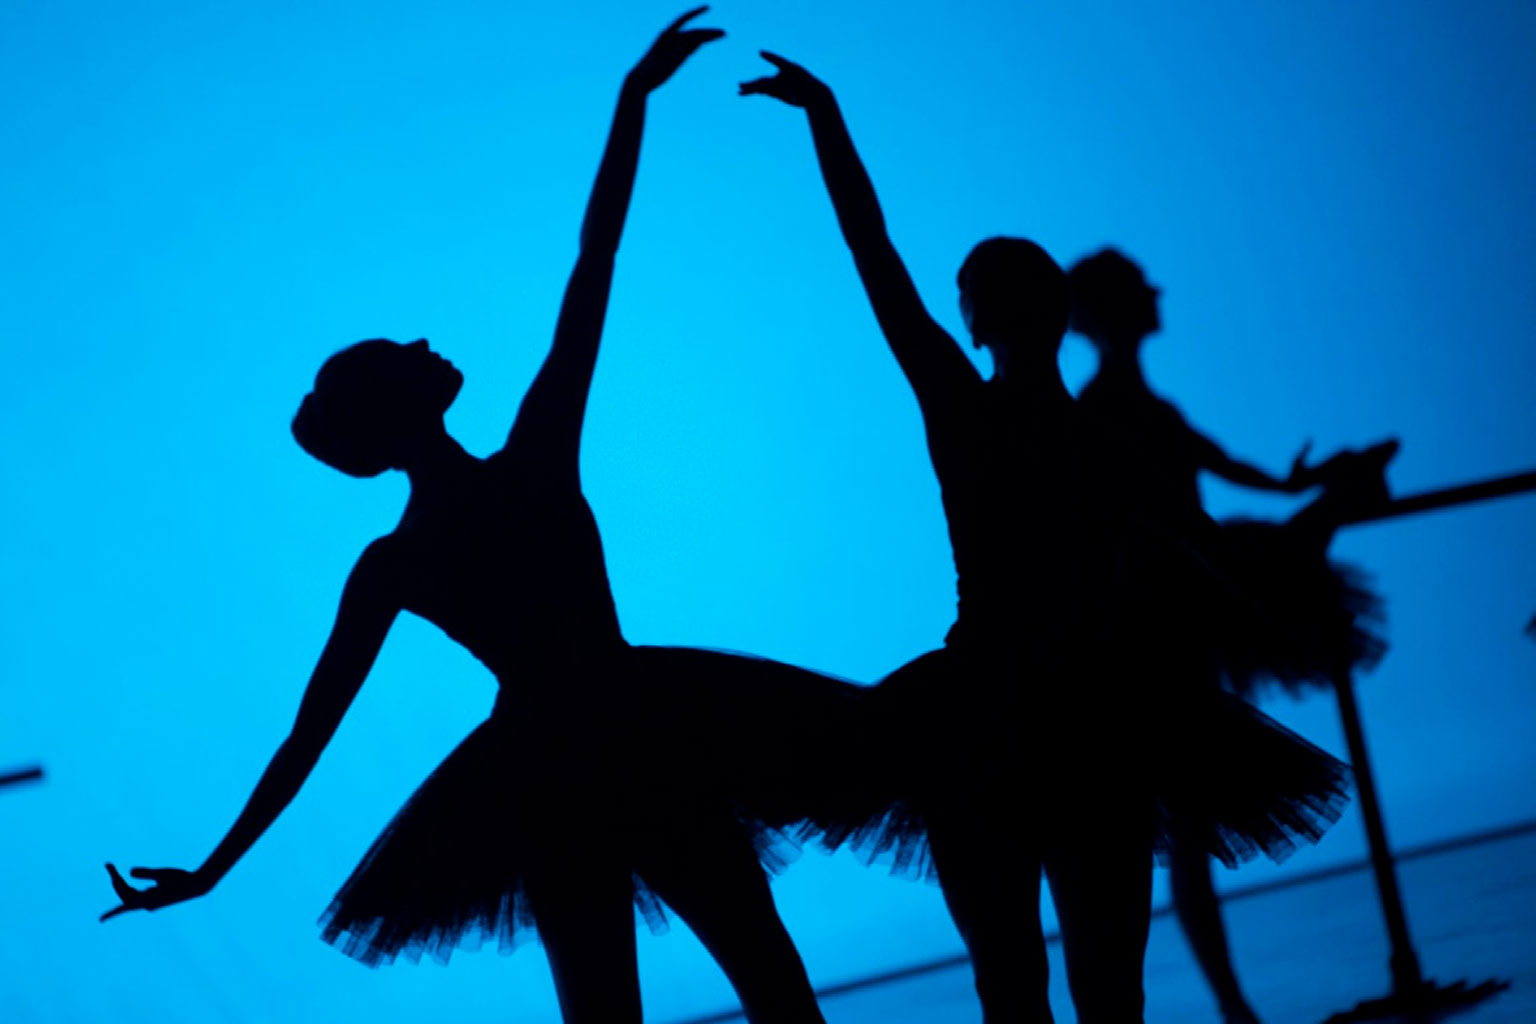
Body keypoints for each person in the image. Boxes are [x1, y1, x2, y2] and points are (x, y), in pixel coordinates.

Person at [101, 14, 855, 1023]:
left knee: (649, 1006)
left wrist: (212, 870)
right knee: (769, 988)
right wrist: (631, 102)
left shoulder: (402, 557)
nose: (423, 338)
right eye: (401, 351)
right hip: (635, 734)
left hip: (549, 763)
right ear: (401, 403)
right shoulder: (525, 466)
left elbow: (305, 739)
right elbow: (595, 262)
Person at [741, 54, 1350, 1024]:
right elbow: (1205, 570)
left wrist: (826, 118)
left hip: (993, 714)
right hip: (1080, 721)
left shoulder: (977, 412)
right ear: (1052, 318)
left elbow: (877, 260)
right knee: (1103, 990)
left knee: (1021, 990)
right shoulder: (1094, 439)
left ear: (976, 323)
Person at [1068, 247, 1391, 1024]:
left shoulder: (1144, 405)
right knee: (1185, 819)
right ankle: (1234, 1008)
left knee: (1189, 819)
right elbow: (1130, 513)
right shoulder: (1103, 409)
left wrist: (1302, 483)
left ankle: (1235, 1007)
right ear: (1116, 311)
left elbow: (1223, 465)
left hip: (1195, 585)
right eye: (1143, 289)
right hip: (1168, 606)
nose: (1158, 293)